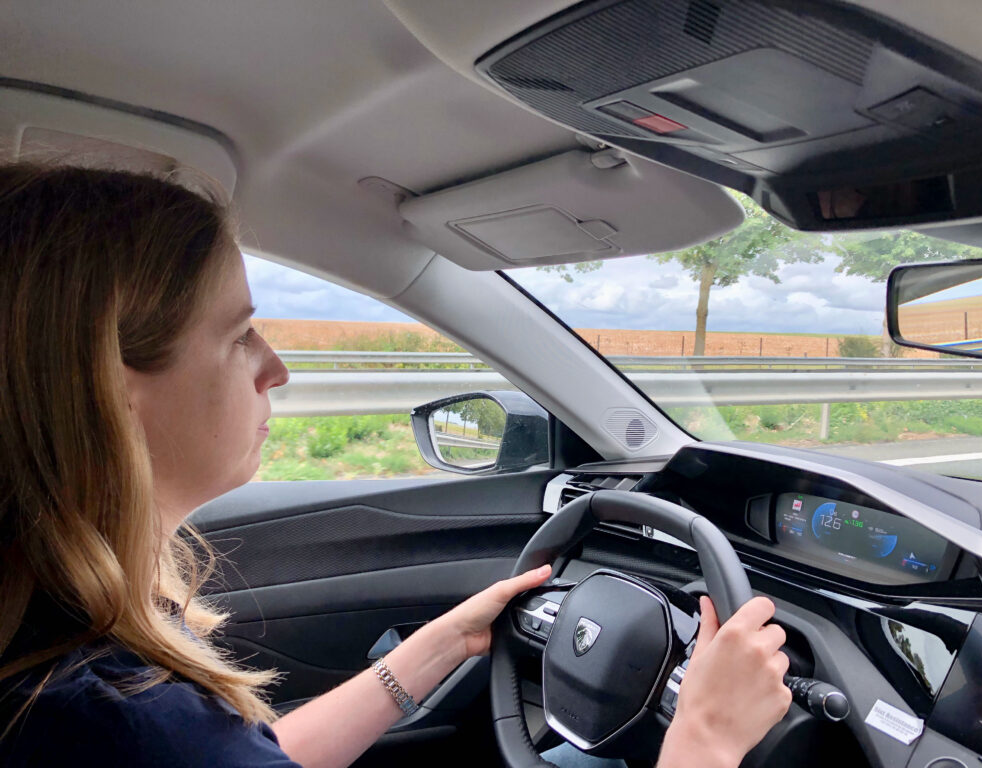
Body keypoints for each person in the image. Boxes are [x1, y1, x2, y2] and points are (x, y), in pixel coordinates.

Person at [0, 163, 791, 767]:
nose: (276, 369)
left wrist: (436, 647)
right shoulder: (123, 720)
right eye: (239, 335)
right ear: (111, 388)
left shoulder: (66, 665)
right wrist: (708, 737)